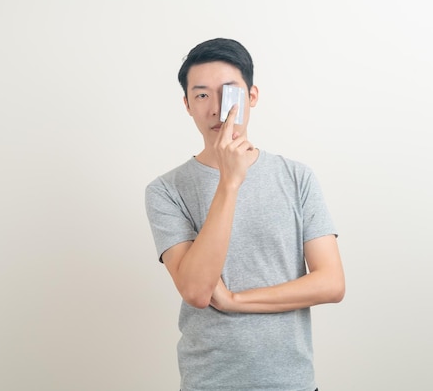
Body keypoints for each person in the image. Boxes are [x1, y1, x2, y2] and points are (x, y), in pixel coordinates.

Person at [144, 37, 345, 391]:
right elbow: (195, 290)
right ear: (187, 105)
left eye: (230, 93)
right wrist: (229, 182)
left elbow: (331, 282)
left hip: (292, 382)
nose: (218, 108)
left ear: (252, 97)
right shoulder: (165, 190)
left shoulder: (296, 177)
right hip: (210, 382)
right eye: (202, 95)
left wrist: (236, 301)